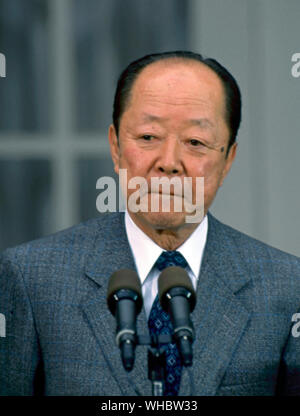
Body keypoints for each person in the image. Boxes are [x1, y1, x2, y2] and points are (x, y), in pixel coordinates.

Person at [0, 51, 300, 396]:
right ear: (115, 147)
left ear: (228, 159)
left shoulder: (287, 288)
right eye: (147, 137)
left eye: (195, 142)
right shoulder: (32, 278)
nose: (169, 163)